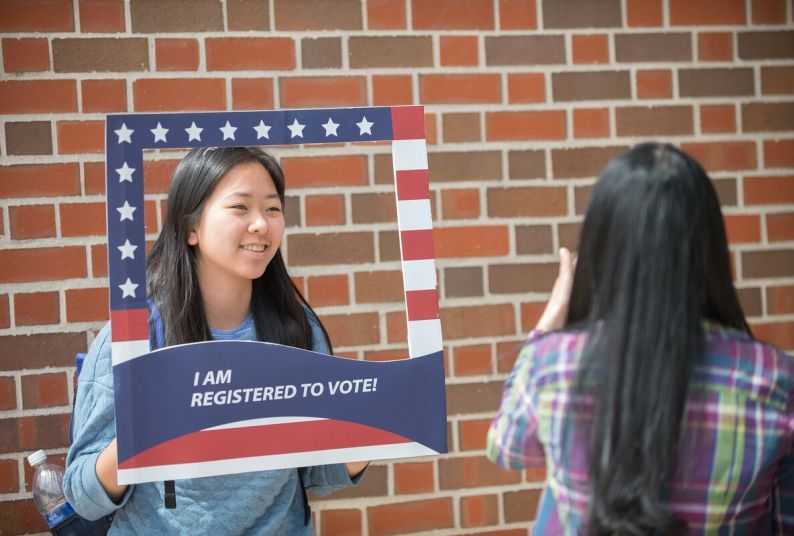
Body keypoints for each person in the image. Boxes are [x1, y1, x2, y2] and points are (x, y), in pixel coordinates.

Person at [487, 143, 793, 535]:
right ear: (708, 248)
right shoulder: (775, 380)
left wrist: (546, 326)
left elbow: (508, 447)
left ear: (603, 248)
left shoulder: (554, 365)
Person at [64, 147, 368, 534]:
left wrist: (369, 435)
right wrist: (146, 433)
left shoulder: (295, 326)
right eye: (240, 207)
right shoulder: (136, 335)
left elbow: (318, 473)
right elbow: (81, 494)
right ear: (191, 227)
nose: (261, 224)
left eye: (273, 209)